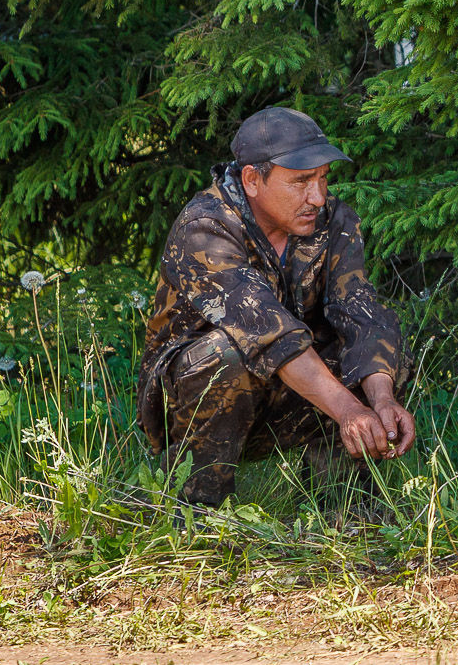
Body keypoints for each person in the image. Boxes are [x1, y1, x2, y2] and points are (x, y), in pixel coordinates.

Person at [136, 106, 414, 508]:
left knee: (379, 345)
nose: (317, 197)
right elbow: (268, 333)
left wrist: (382, 400)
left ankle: (343, 509)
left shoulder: (333, 220)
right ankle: (199, 511)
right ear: (252, 179)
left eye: (322, 178)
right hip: (197, 399)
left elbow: (360, 314)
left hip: (292, 391)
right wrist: (349, 409)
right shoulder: (205, 226)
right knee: (223, 354)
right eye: (301, 181)